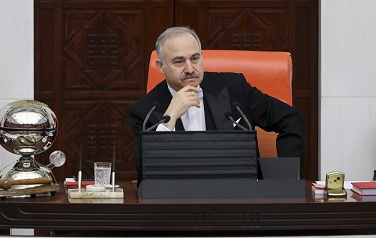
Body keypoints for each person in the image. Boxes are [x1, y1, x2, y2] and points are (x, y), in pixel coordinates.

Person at [127, 26, 304, 176]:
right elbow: (145, 169)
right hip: (178, 199)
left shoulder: (235, 88)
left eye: (195, 58)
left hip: (238, 194)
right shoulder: (144, 110)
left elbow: (290, 119)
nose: (190, 69)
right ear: (161, 67)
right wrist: (170, 117)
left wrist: (285, 180)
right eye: (179, 61)